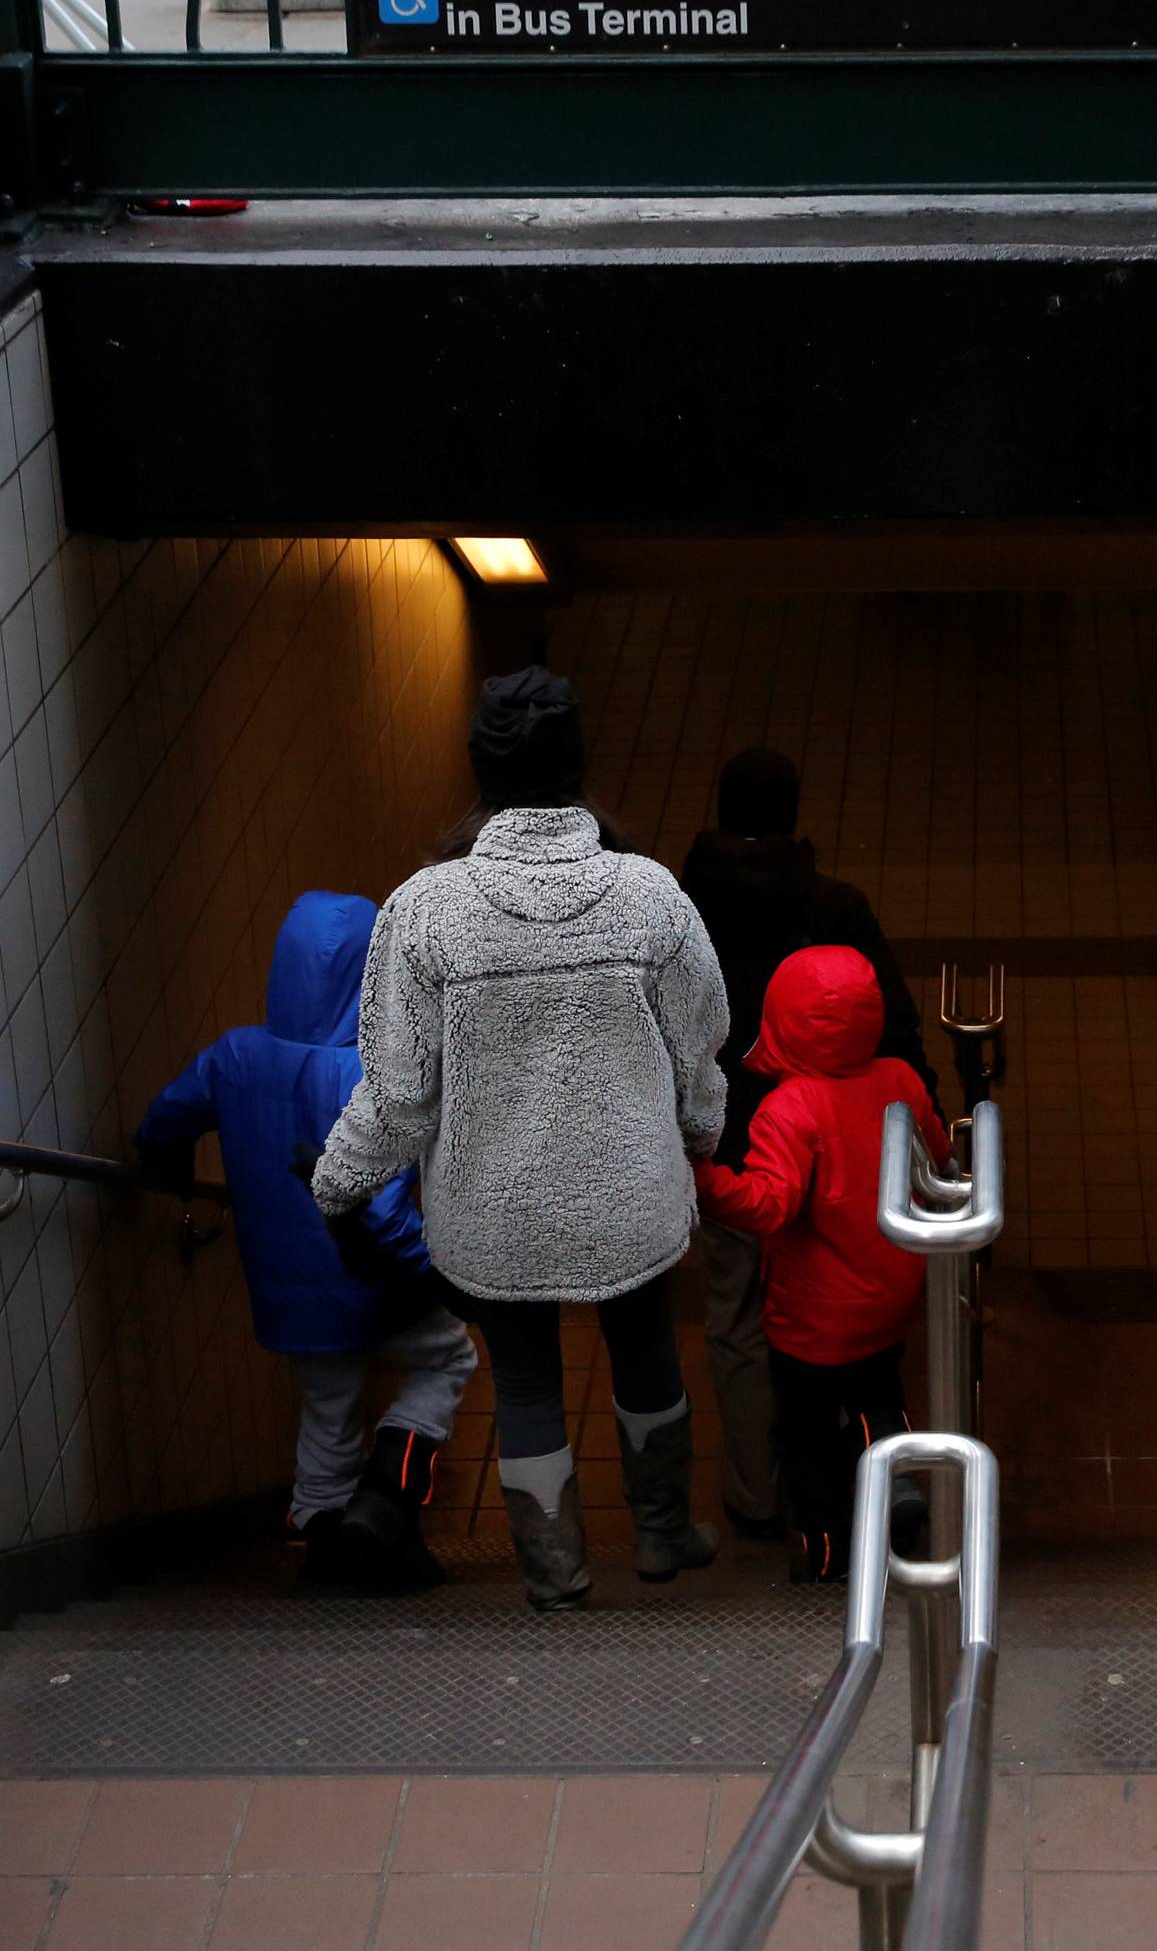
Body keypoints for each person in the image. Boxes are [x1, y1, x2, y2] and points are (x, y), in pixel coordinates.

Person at [311, 667, 731, 1612]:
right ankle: (663, 1534)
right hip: (633, 1199)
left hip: (491, 1212)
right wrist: (701, 1132)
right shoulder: (650, 896)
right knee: (647, 1351)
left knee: (529, 1382)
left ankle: (554, 1571)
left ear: (480, 773)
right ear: (580, 765)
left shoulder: (424, 910)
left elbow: (399, 1096)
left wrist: (338, 1183)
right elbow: (699, 1048)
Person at [137, 891, 476, 1593]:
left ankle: (324, 1538)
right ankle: (386, 1495)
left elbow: (164, 1121)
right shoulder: (371, 1072)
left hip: (288, 1291)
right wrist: (433, 1273)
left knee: (328, 1405)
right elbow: (380, 1215)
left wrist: (165, 1166)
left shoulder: (233, 1056)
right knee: (447, 1360)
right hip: (373, 1286)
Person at [682, 747, 939, 1541]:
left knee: (735, 1320)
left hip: (726, 1144)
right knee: (849, 1316)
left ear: (721, 814)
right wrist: (923, 1124)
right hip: (837, 1154)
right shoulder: (836, 907)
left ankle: (757, 1496)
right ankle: (856, 1481)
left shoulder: (680, 909)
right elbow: (896, 1030)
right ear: (794, 818)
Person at [695, 944, 947, 1584]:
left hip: (810, 1318)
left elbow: (769, 1206)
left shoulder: (791, 1107)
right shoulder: (901, 1080)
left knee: (805, 1436)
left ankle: (827, 1554)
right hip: (890, 1293)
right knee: (876, 1389)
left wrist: (701, 1178)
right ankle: (893, 1464)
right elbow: (939, 1159)